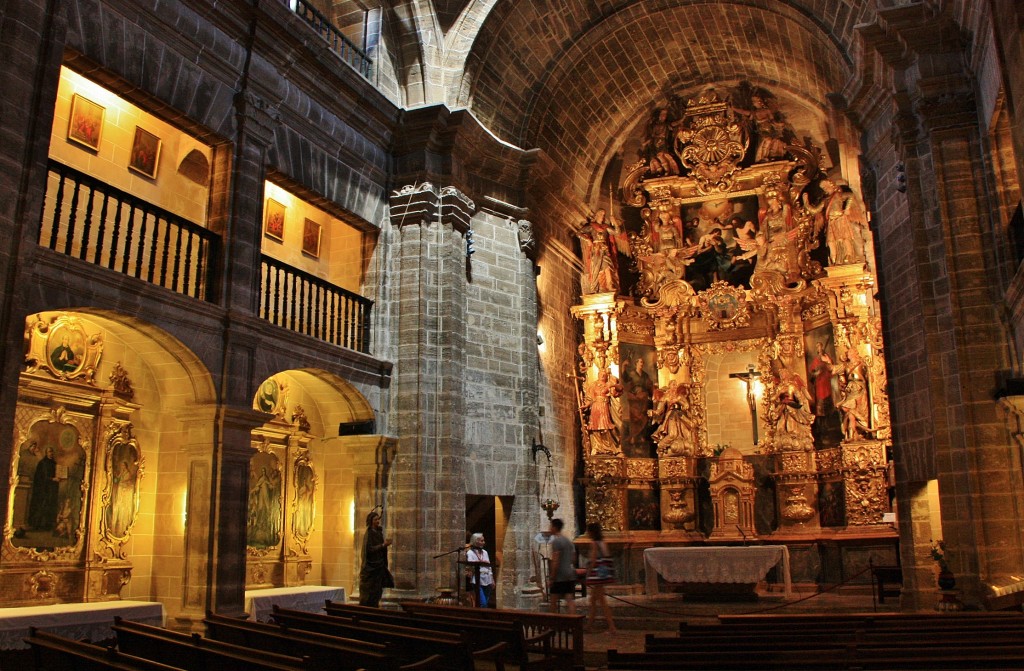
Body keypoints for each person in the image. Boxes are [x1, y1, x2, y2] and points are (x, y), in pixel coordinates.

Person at [583, 523, 617, 633]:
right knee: (595, 600)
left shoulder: (594, 543)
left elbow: (593, 560)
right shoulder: (602, 542)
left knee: (600, 601)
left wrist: (588, 574)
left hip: (597, 575)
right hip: (603, 574)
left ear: (592, 532)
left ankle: (611, 627)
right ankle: (590, 625)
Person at [358, 510, 394, 607]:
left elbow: (380, 547)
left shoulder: (378, 532)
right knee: (369, 593)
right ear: (370, 521)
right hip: (371, 568)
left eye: (378, 519)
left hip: (378, 567)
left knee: (377, 592)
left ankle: (374, 606)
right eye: (375, 519)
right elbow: (369, 549)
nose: (377, 521)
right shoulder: (369, 533)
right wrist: (383, 545)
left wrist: (385, 544)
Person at [546, 518, 577, 614]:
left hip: (559, 576)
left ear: (555, 527)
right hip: (569, 574)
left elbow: (556, 560)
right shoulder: (568, 541)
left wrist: (552, 577)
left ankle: (551, 625)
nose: (549, 528)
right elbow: (573, 558)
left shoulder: (556, 541)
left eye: (551, 526)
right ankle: (574, 624)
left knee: (553, 602)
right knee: (570, 601)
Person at [465, 532, 495, 608]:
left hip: (487, 579)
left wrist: (492, 579)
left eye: (483, 540)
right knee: (483, 603)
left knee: (486, 602)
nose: (483, 542)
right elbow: (471, 564)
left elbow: (489, 567)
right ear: (476, 541)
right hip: (477, 579)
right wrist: (481, 562)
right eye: (481, 541)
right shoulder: (470, 553)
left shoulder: (485, 552)